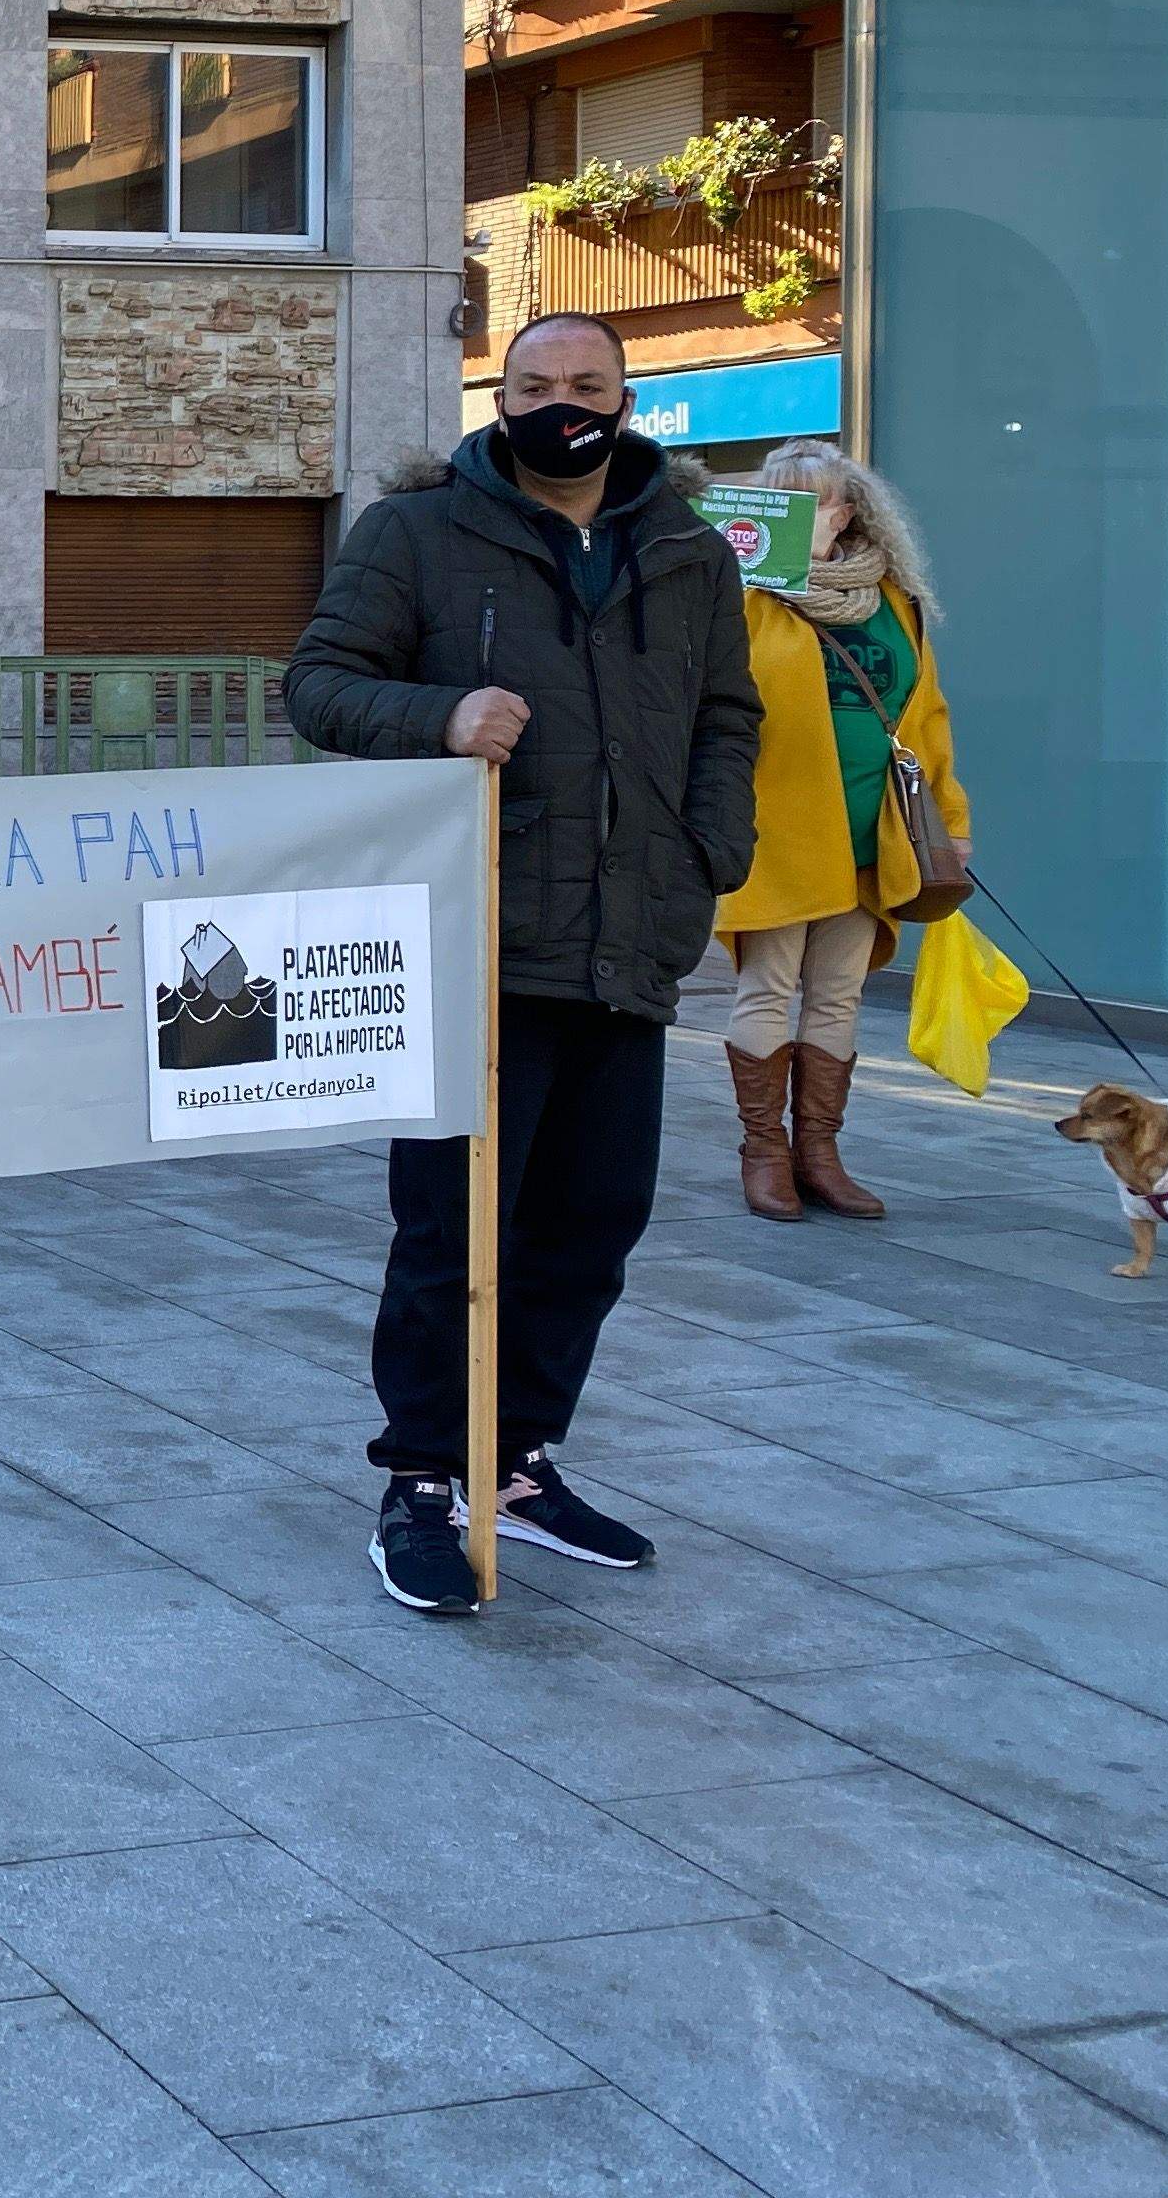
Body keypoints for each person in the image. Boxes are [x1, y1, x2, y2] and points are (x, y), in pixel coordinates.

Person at [287, 309, 759, 1616]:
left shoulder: (681, 551)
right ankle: (425, 1477)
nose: (565, 403)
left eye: (588, 383)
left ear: (626, 396)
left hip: (630, 943)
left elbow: (729, 711)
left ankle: (517, 1461)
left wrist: (714, 844)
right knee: (455, 1232)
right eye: (538, 383)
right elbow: (319, 683)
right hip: (475, 944)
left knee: (594, 1223)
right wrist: (438, 713)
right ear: (501, 397)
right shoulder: (419, 533)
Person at [714, 441, 966, 1224]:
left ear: (848, 512)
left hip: (875, 829)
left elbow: (925, 718)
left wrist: (950, 824)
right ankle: (764, 1153)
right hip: (779, 829)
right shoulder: (743, 598)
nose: (799, 514)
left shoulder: (895, 600)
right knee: (768, 985)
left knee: (838, 995)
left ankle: (820, 1152)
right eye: (780, 499)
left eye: (814, 501)